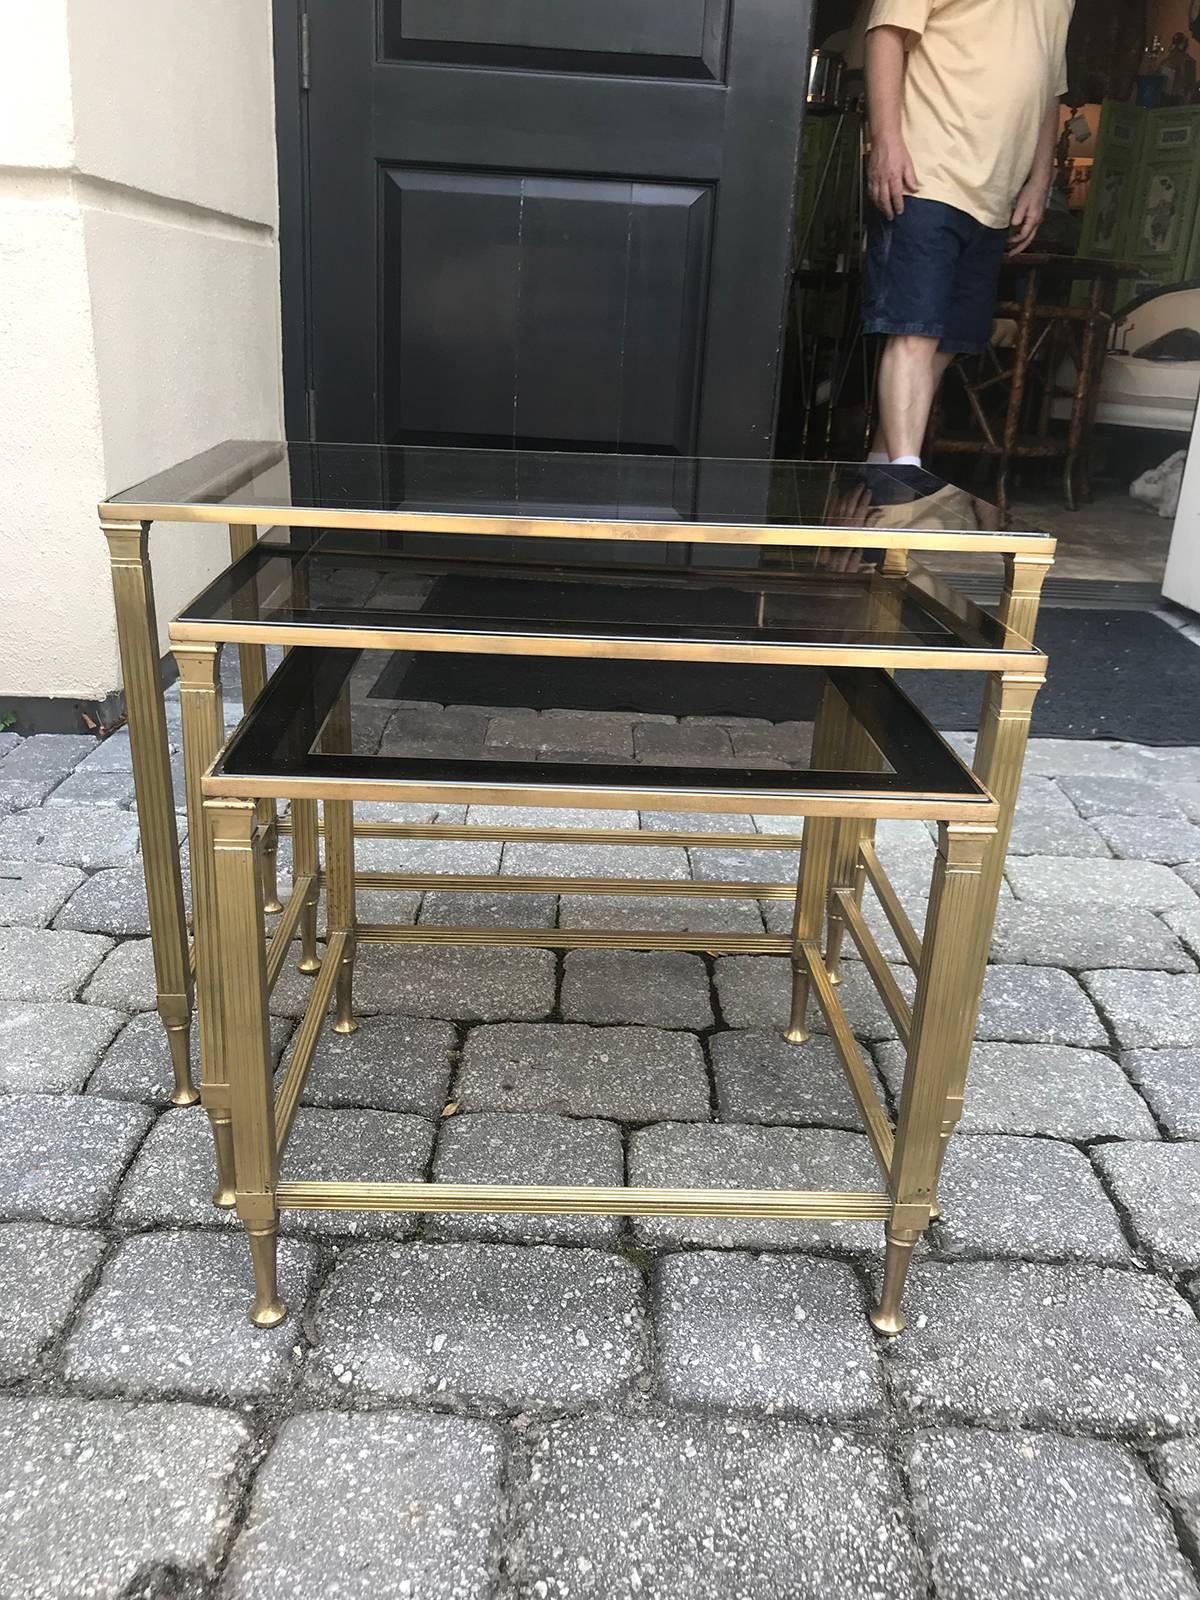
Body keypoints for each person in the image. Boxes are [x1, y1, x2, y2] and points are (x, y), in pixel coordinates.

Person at [858, 0, 1074, 468]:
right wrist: (886, 140)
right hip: (926, 173)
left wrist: (1040, 180)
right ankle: (902, 476)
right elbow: (886, 33)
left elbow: (1048, 91)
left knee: (948, 341)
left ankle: (883, 467)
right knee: (913, 333)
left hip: (993, 193)